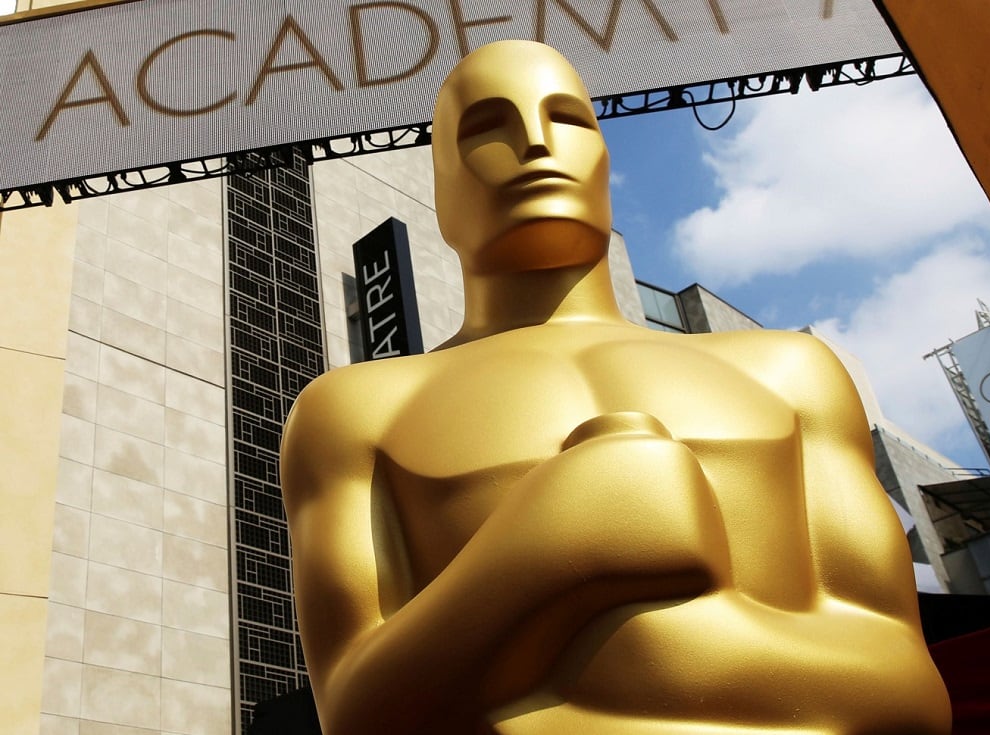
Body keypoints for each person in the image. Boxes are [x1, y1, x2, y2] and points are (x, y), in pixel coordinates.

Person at [280, 40, 951, 735]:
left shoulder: (789, 373)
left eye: (566, 118)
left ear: (606, 162)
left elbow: (908, 690)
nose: (536, 143)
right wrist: (548, 543)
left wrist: (659, 649)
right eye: (487, 129)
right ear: (442, 190)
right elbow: (356, 711)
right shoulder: (356, 411)